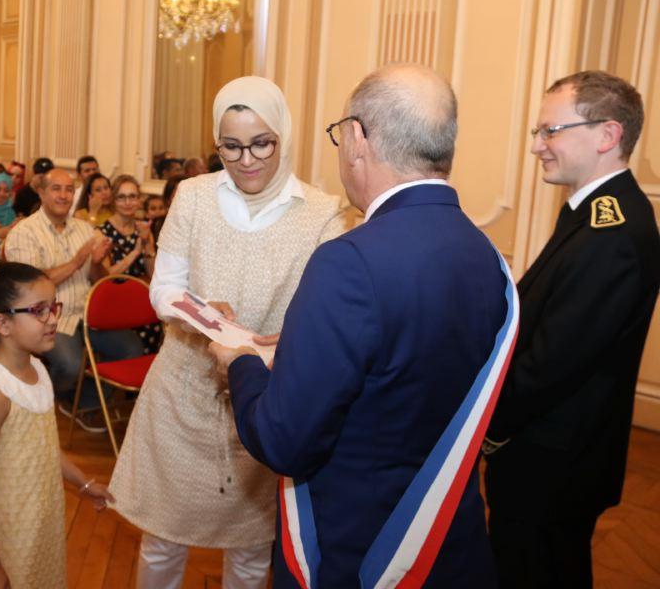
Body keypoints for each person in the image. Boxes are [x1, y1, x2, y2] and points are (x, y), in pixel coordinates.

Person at [208, 64, 512, 589]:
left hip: (362, 551)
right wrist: (308, 351)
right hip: (450, 543)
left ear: (355, 137)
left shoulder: (348, 262)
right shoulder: (487, 255)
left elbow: (284, 442)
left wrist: (241, 364)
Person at [108, 76, 343, 588]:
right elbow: (163, 287)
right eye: (230, 146)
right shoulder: (193, 196)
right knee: (162, 540)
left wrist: (290, 341)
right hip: (182, 390)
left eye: (262, 142)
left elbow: (325, 309)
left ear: (283, 135)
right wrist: (198, 311)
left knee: (253, 549)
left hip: (262, 400)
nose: (247, 159)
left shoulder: (322, 213)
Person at [483, 71, 660, 589]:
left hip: (553, 462)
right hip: (554, 455)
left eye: (551, 131)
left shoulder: (613, 235)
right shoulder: (595, 215)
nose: (537, 146)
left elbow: (549, 366)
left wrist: (481, 423)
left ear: (607, 135)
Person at [0, 259, 114, 588]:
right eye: (39, 310)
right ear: (3, 323)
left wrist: (83, 483)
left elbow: (43, 447)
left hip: (38, 513)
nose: (53, 319)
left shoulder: (38, 370)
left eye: (53, 307)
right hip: (2, 524)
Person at [3, 168, 145, 431]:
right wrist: (78, 260)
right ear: (42, 192)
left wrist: (97, 262)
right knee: (70, 364)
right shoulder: (24, 232)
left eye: (69, 189)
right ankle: (57, 397)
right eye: (56, 189)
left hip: (90, 313)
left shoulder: (85, 229)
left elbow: (100, 278)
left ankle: (85, 402)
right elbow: (33, 286)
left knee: (132, 348)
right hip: (48, 316)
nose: (64, 195)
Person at [99, 175, 161, 354]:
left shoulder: (143, 229)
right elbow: (106, 277)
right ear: (113, 200)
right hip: (113, 303)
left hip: (140, 300)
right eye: (121, 197)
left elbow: (153, 274)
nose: (128, 202)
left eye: (132, 196)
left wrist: (147, 244)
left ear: (139, 199)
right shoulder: (102, 232)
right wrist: (134, 252)